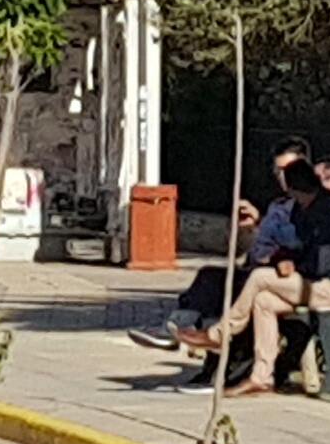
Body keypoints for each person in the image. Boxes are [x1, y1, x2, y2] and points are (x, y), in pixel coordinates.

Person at [199, 157, 330, 392]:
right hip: (323, 284)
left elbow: (319, 263)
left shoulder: (327, 214)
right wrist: (286, 259)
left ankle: (221, 333)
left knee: (260, 278)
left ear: (295, 190)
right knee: (263, 301)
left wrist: (293, 264)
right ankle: (261, 376)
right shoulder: (311, 208)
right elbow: (301, 249)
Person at [132, 143, 309, 351]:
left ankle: (188, 333)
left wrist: (262, 225)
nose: (282, 177)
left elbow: (297, 239)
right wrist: (256, 223)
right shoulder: (279, 204)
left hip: (277, 276)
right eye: (277, 171)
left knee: (213, 283)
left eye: (287, 170)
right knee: (210, 277)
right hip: (256, 269)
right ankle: (182, 329)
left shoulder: (307, 204)